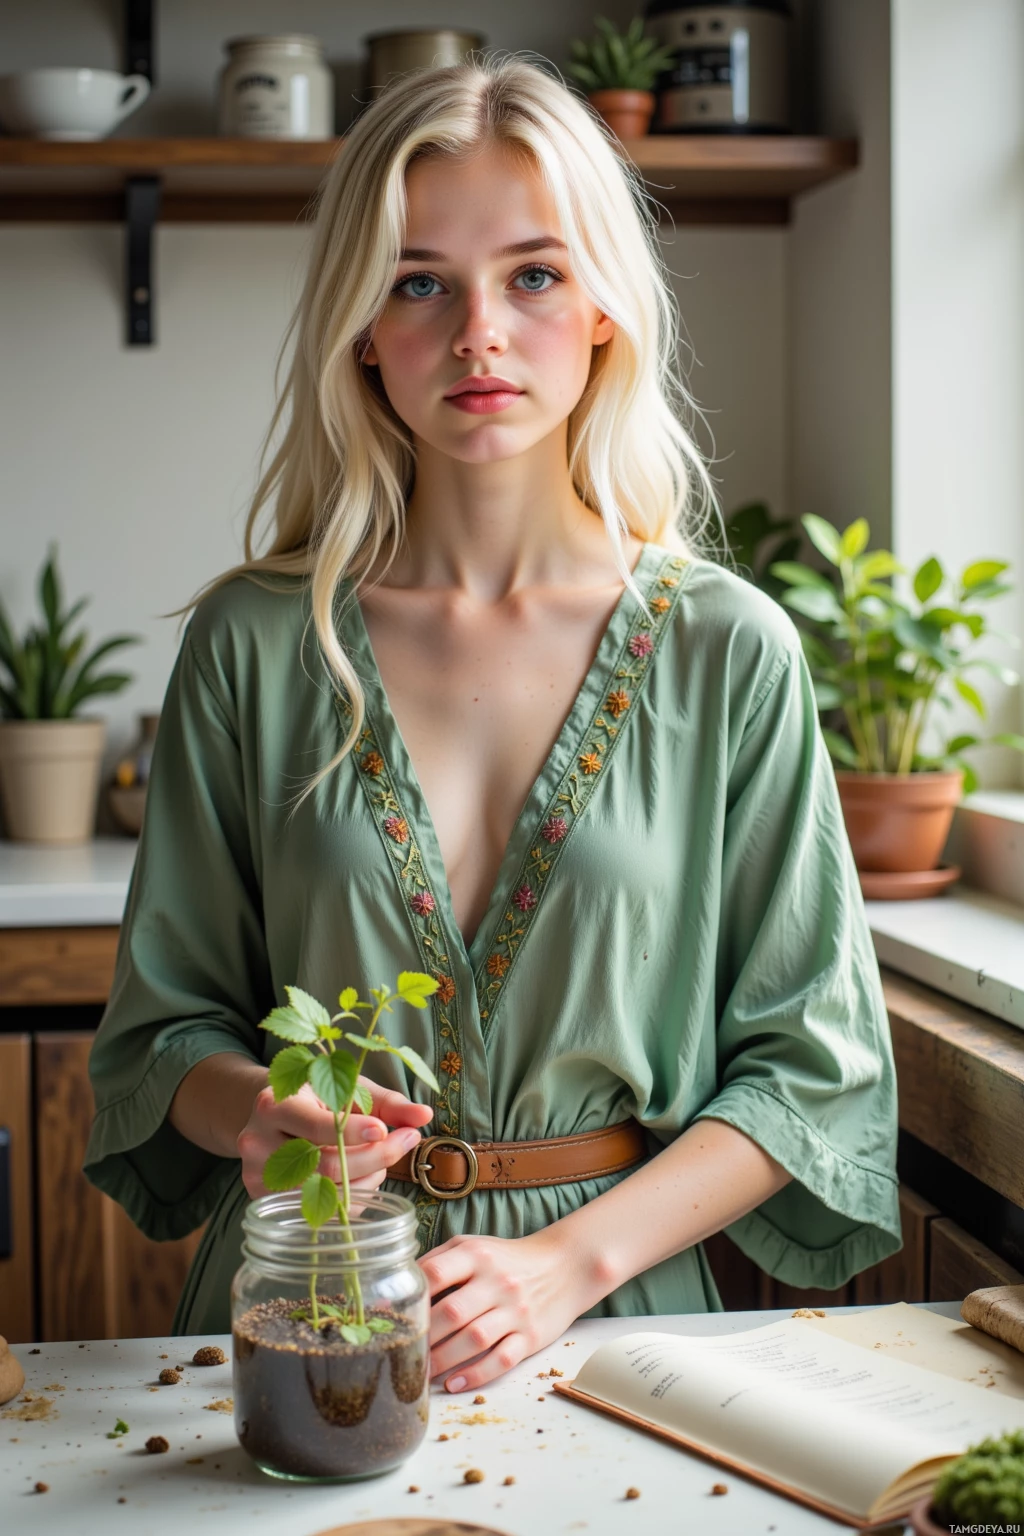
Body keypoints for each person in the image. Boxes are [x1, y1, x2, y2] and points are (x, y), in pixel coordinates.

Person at [84, 55, 901, 1396]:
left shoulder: (727, 650)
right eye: (420, 281)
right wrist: (262, 1111)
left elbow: (810, 1078)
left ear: (602, 313)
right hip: (311, 1294)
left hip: (620, 1324)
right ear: (360, 323)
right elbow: (162, 1033)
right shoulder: (253, 643)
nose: (478, 332)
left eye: (533, 273)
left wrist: (564, 1266)